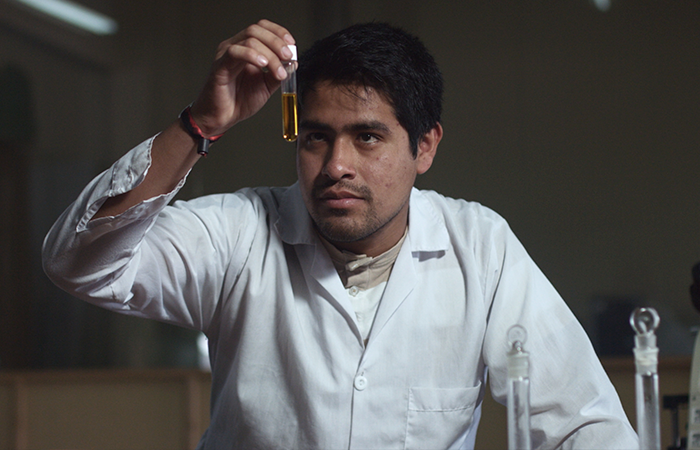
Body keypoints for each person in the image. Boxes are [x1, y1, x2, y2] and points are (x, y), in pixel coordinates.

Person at [42, 19, 638, 449]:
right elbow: (78, 262)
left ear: (424, 146)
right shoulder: (240, 232)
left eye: (367, 137)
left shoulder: (478, 247)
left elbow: (584, 424)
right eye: (316, 138)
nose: (335, 166)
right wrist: (200, 124)